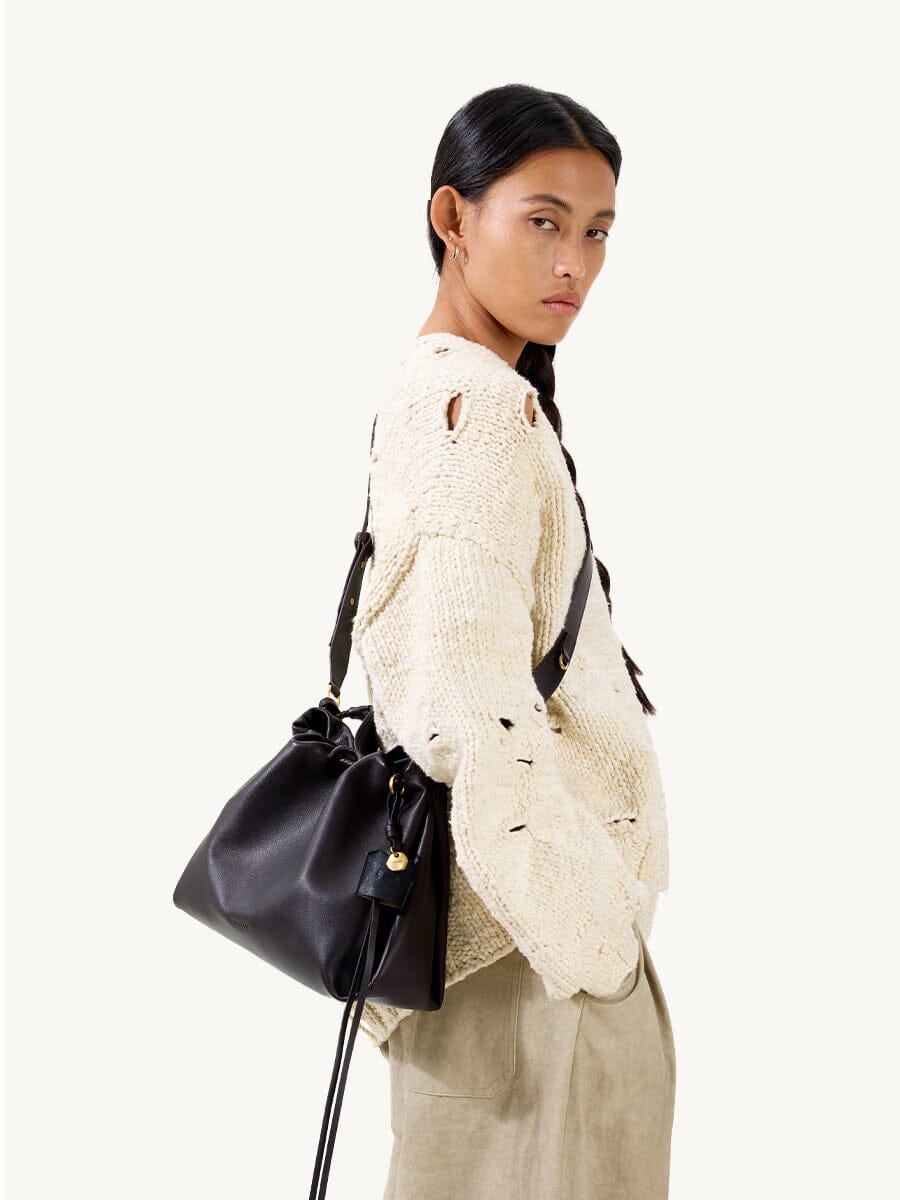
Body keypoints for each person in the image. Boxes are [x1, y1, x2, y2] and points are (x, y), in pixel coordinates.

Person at [350, 83, 676, 1200]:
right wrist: (592, 938)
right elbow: (462, 706)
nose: (574, 263)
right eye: (543, 221)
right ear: (453, 217)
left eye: (597, 232)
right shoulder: (475, 409)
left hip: (507, 938)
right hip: (528, 958)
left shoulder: (453, 391)